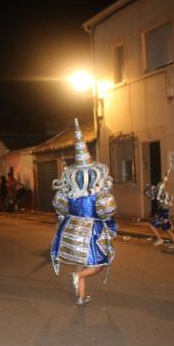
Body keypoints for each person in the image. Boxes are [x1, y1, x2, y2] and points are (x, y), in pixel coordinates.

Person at [50, 119, 117, 306]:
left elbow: (59, 208)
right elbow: (108, 210)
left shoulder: (67, 191)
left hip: (71, 229)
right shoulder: (99, 192)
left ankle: (81, 297)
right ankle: (78, 275)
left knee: (80, 260)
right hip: (91, 231)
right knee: (100, 262)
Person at [144, 170, 174, 249]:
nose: (149, 196)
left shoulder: (158, 190)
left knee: (153, 225)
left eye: (149, 194)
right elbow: (163, 181)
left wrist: (168, 172)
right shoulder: (157, 192)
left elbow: (163, 181)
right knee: (167, 229)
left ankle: (160, 239)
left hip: (164, 213)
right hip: (163, 212)